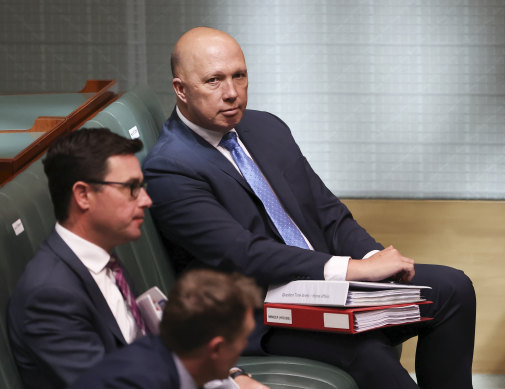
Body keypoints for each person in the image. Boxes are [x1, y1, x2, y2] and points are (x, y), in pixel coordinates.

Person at [143, 27, 476, 389]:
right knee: (365, 350)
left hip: (322, 284)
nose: (232, 93)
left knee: (453, 288)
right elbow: (243, 254)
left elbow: (327, 211)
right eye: (214, 81)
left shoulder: (265, 127)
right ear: (181, 89)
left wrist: (373, 258)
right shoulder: (170, 167)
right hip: (258, 311)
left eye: (239, 75)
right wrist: (353, 269)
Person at [7, 128, 265, 389]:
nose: (146, 200)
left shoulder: (104, 260)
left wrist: (233, 379)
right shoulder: (49, 295)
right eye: (131, 188)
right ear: (83, 195)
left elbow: (161, 352)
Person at [71, 269, 262, 389]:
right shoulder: (136, 382)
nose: (245, 344)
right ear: (217, 348)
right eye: (243, 337)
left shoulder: (178, 354)